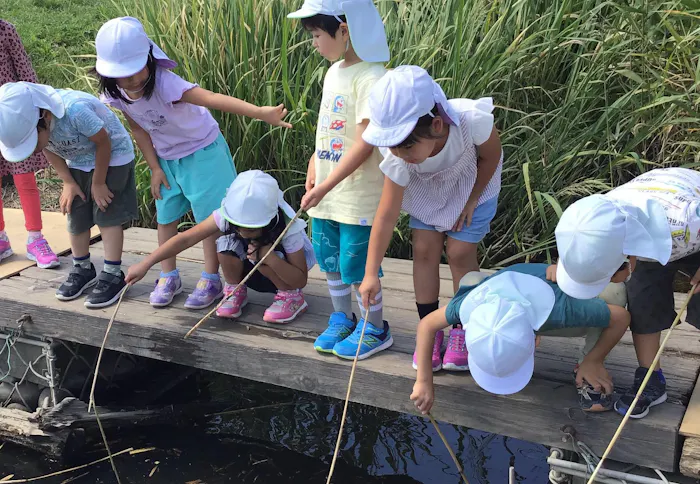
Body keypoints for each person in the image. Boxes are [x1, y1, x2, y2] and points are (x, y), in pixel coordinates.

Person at [93, 17, 291, 311]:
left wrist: (260, 112)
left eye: (137, 70)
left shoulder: (166, 83)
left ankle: (211, 277)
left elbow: (211, 98)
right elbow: (138, 128)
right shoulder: (115, 93)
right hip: (167, 158)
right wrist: (155, 167)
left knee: (209, 221)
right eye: (124, 74)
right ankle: (168, 274)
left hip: (203, 153)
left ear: (149, 58)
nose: (134, 80)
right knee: (165, 216)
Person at [359, 65, 503, 372]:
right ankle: (429, 327)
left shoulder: (471, 121)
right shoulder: (399, 159)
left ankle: (463, 325)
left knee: (459, 252)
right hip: (428, 193)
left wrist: (472, 198)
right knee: (424, 250)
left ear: (437, 124)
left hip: (473, 185)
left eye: (406, 145)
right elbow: (385, 215)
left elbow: (492, 155)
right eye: (392, 145)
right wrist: (371, 273)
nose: (399, 153)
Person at [288, 0, 392, 359]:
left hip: (356, 194)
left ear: (344, 29)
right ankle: (341, 317)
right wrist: (315, 163)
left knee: (357, 262)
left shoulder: (372, 76)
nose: (314, 42)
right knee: (330, 257)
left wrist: (327, 185)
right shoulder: (334, 72)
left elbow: (365, 142)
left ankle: (374, 326)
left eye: (317, 34)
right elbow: (328, 128)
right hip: (327, 191)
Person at [554, 167, 700, 418]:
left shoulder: (689, 219)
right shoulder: (596, 225)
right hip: (648, 222)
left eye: (608, 277)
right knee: (642, 292)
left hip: (684, 218)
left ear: (627, 258)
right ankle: (650, 378)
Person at [410, 263, 631, 415]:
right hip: (500, 287)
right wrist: (423, 382)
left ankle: (587, 366)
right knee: (471, 279)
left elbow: (621, 318)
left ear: (536, 340)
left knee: (615, 293)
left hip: (548, 295)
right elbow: (427, 325)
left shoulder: (561, 310)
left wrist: (594, 359)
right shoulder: (471, 301)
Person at [0, 82, 137, 308]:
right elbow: (48, 148)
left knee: (106, 212)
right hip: (79, 161)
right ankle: (82, 267)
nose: (32, 149)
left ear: (43, 116)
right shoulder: (38, 128)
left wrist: (99, 182)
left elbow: (104, 142)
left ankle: (113, 273)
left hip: (113, 157)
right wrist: (67, 181)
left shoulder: (75, 111)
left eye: (31, 141)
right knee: (75, 212)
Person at [126, 170, 315, 324]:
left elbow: (300, 279)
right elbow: (185, 239)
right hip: (249, 267)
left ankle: (290, 298)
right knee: (225, 244)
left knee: (263, 255)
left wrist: (270, 258)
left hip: (283, 273)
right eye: (238, 225)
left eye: (250, 228)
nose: (242, 231)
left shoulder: (289, 228)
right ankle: (234, 290)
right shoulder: (226, 215)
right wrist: (146, 264)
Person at [0, 20, 59, 269]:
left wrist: (37, 107)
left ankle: (36, 238)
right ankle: (1, 240)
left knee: (24, 178)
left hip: (17, 115)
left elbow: (25, 71)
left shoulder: (6, 30)